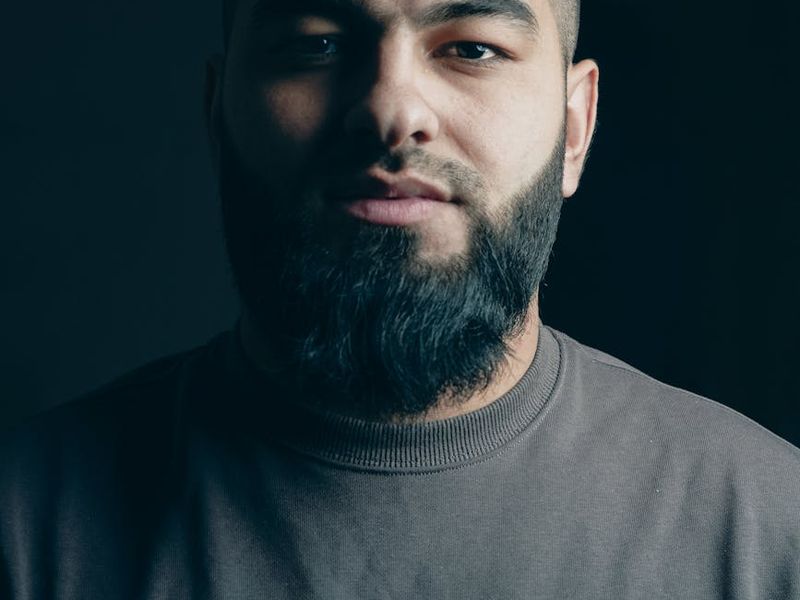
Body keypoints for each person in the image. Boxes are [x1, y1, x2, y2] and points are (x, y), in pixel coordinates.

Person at [2, 0, 799, 596]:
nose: (392, 108)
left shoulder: (769, 535)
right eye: (315, 44)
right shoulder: (24, 529)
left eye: (473, 48)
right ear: (218, 115)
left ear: (576, 127)